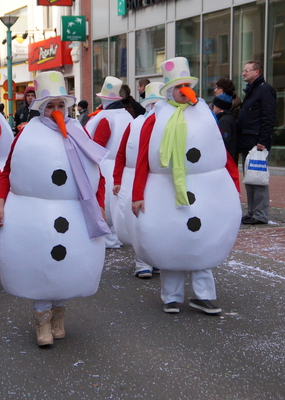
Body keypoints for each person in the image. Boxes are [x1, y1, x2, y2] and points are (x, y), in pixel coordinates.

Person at [0, 71, 109, 347]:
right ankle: (42, 324)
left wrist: (100, 206)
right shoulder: (26, 135)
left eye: (60, 105)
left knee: (66, 270)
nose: (56, 110)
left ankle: (58, 319)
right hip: (33, 215)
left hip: (75, 213)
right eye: (50, 105)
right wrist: (1, 203)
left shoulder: (80, 132)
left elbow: (98, 174)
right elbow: (7, 172)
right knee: (39, 266)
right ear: (41, 109)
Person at [132, 57, 241, 315]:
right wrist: (137, 194)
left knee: (202, 242)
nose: (183, 91)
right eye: (178, 87)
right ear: (170, 91)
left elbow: (220, 152)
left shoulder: (205, 115)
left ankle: (203, 296)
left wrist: (233, 183)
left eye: (186, 85)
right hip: (165, 190)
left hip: (205, 191)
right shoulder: (155, 118)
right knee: (171, 242)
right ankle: (172, 296)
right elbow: (143, 158)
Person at [112, 82, 165, 279]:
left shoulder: (168, 124)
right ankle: (142, 261)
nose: (154, 109)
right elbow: (121, 154)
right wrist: (117, 178)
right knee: (139, 219)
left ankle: (156, 258)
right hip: (134, 177)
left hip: (159, 180)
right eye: (151, 104)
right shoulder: (134, 124)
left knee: (159, 220)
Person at [84, 76, 134, 249]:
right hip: (124, 166)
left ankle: (110, 238)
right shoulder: (128, 116)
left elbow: (97, 145)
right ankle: (119, 236)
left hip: (105, 166)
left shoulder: (106, 118)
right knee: (118, 204)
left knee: (106, 202)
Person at [236, 60, 277, 225]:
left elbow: (269, 117)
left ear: (257, 72)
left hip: (256, 143)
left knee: (258, 178)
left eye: (247, 70)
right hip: (248, 141)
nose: (243, 73)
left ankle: (260, 215)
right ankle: (252, 212)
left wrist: (262, 141)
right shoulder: (252, 91)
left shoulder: (264, 90)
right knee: (250, 178)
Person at [212, 90, 237, 158]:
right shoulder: (227, 118)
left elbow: (224, 140)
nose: (213, 107)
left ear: (220, 107)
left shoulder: (224, 120)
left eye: (215, 105)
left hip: (225, 157)